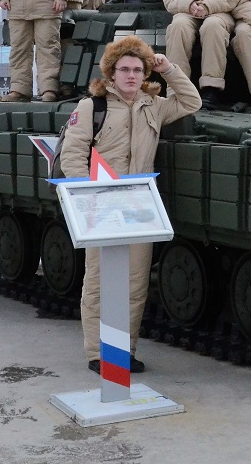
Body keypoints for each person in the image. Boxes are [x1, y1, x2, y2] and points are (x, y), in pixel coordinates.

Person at [61, 35, 201, 374]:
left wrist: (168, 69)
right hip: (102, 204)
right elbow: (72, 155)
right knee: (98, 282)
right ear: (111, 72)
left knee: (135, 285)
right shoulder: (92, 106)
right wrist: (87, 199)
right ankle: (98, 354)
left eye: (138, 70)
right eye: (124, 69)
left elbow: (191, 101)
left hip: (139, 206)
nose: (131, 75)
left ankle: (123, 352)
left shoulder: (155, 105)